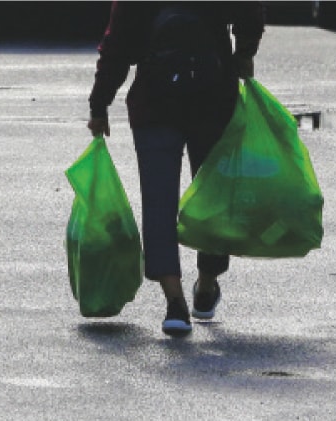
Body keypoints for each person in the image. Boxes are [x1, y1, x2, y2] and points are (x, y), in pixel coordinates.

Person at [87, 2, 264, 337]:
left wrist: (100, 103)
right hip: (213, 98)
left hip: (155, 102)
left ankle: (175, 303)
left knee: (158, 202)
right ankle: (207, 283)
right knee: (213, 197)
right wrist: (243, 55)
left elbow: (117, 42)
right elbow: (250, 12)